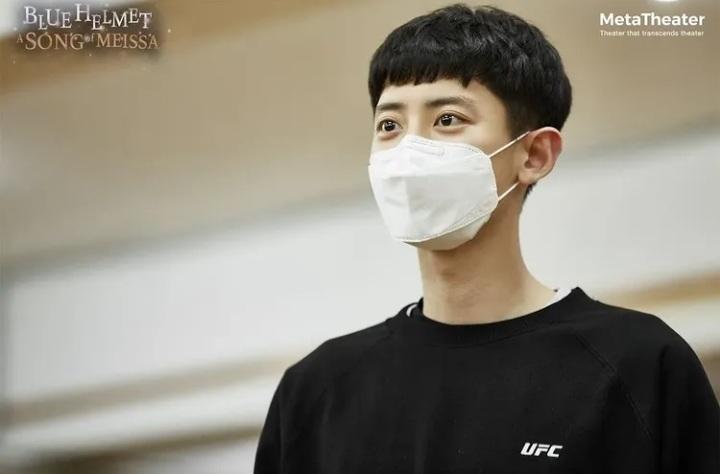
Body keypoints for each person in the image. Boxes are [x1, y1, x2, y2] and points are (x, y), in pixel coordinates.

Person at [253, 3, 719, 473]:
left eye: (447, 119)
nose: (410, 152)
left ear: (535, 155)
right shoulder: (316, 392)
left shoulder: (636, 365)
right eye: (389, 125)